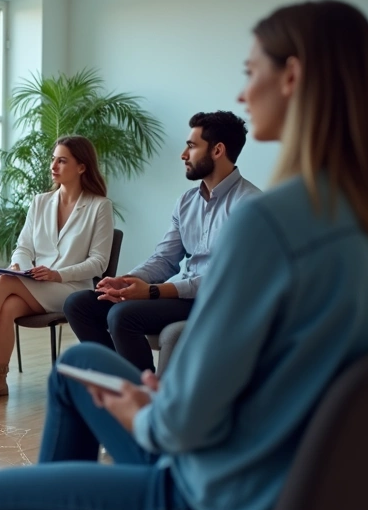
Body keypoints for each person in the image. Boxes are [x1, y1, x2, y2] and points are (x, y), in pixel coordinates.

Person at [0, 0, 368, 510]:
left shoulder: (268, 223)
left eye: (251, 73)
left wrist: (153, 409)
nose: (245, 94)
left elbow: (183, 428)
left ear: (293, 78)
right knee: (72, 373)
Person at [63, 112, 261, 372]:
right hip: (183, 297)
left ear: (218, 150)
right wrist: (127, 281)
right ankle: (117, 381)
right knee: (79, 304)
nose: (183, 154)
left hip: (218, 302)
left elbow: (223, 281)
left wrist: (153, 291)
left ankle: (144, 398)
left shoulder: (249, 205)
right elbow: (165, 259)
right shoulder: (187, 201)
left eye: (191, 146)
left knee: (123, 316)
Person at [0, 136, 115, 402]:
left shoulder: (99, 206)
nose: (53, 165)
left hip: (72, 289)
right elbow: (23, 247)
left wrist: (58, 274)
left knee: (3, 284)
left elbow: (99, 262)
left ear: (82, 167)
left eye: (62, 160)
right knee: (6, 305)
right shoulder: (41, 202)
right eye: (53, 159)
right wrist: (17, 267)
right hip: (38, 283)